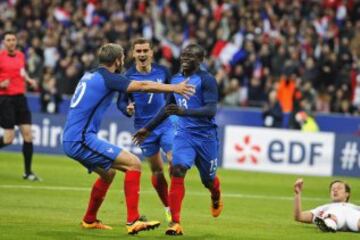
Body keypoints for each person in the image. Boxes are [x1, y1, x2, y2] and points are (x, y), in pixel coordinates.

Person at [62, 43, 195, 235]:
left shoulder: (89, 74)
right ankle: (133, 220)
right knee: (133, 164)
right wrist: (175, 87)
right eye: (123, 57)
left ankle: (89, 219)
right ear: (118, 60)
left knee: (108, 174)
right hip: (80, 139)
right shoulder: (110, 78)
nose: (124, 60)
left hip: (72, 136)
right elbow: (142, 85)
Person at [133, 44, 224, 236]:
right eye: (184, 55)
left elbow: (210, 110)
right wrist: (147, 129)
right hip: (184, 135)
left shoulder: (206, 80)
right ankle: (175, 223)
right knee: (177, 169)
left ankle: (215, 196)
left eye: (190, 56)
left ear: (200, 60)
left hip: (206, 138)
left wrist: (184, 112)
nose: (185, 58)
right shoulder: (176, 80)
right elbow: (169, 108)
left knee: (208, 180)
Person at [117, 38, 173, 222]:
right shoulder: (127, 76)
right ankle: (168, 207)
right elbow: (121, 101)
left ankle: (177, 198)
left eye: (145, 51)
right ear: (133, 54)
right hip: (144, 130)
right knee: (157, 170)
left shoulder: (163, 71)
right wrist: (127, 109)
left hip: (164, 124)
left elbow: (172, 95)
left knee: (175, 161)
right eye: (138, 51)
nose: (142, 54)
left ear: (151, 52)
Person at [0, 31, 40, 181]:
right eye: (8, 40)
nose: (11, 42)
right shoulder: (0, 57)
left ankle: (28, 172)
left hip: (20, 99)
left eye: (13, 39)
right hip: (5, 100)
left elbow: (22, 73)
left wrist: (29, 80)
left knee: (28, 134)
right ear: (4, 43)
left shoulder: (21, 56)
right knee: (9, 139)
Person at [294, 178, 360, 233]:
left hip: (353, 216)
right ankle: (327, 225)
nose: (335, 190)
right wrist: (297, 194)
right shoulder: (325, 207)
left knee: (356, 217)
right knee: (330, 216)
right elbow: (299, 217)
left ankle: (326, 224)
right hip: (334, 217)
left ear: (347, 194)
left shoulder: (354, 207)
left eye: (339, 188)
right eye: (333, 189)